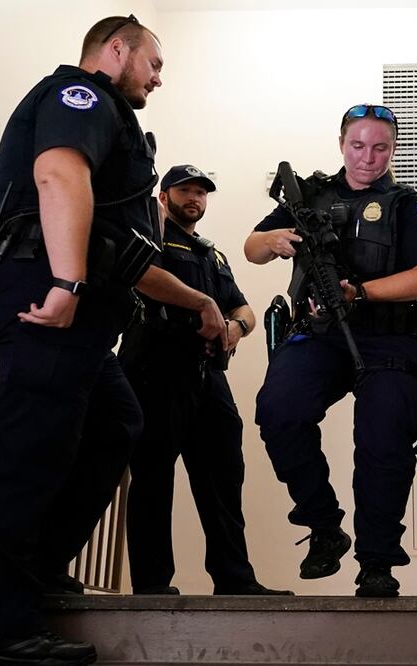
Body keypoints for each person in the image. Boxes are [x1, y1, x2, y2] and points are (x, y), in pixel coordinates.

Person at [0, 16, 227, 665]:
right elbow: (56, 174)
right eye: (153, 64)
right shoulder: (81, 97)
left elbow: (125, 256)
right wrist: (68, 283)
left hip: (77, 310)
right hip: (47, 299)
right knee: (27, 454)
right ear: (115, 51)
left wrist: (200, 301)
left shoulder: (118, 129)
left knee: (115, 423)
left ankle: (41, 567)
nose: (158, 79)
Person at [244, 104, 417, 597]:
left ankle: (376, 561)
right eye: (358, 146)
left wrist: (362, 291)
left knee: (383, 443)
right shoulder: (310, 195)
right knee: (278, 410)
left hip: (389, 340)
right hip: (321, 334)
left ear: (392, 149)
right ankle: (323, 526)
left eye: (380, 147)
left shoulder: (407, 204)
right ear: (342, 144)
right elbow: (251, 247)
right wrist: (273, 240)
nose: (368, 158)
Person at [119, 164, 292, 597]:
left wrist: (236, 329)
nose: (194, 198)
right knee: (153, 478)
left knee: (223, 477)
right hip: (156, 369)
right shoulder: (150, 238)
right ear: (164, 196)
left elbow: (245, 311)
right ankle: (153, 585)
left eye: (201, 192)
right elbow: (142, 280)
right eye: (185, 190)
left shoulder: (213, 254)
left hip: (208, 376)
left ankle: (235, 580)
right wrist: (202, 306)